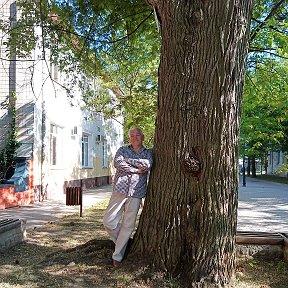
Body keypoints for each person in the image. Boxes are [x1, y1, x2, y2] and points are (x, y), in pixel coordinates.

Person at [103, 127, 153, 267]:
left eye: (137, 135)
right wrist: (136, 170)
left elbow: (148, 164)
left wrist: (128, 161)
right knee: (109, 221)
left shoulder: (148, 152)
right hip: (120, 189)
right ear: (129, 138)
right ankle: (123, 242)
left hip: (137, 192)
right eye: (132, 135)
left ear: (142, 137)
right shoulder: (122, 149)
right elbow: (118, 163)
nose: (135, 137)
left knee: (128, 225)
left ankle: (117, 257)